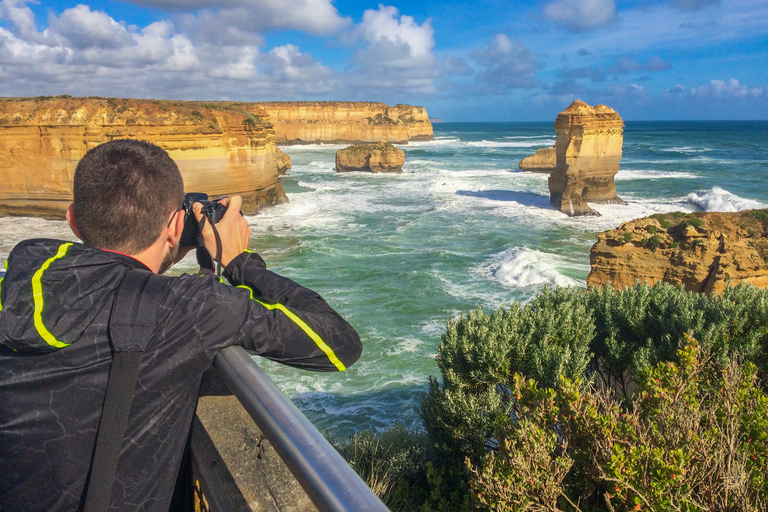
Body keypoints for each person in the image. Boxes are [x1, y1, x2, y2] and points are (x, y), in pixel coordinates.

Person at [0, 139, 362, 511]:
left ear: (73, 219)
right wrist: (239, 260)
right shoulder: (191, 307)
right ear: (175, 223)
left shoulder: (14, 283)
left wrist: (166, 245)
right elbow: (339, 344)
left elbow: (114, 280)